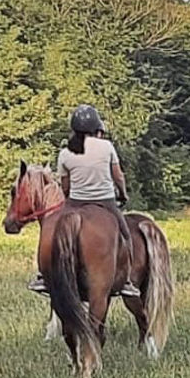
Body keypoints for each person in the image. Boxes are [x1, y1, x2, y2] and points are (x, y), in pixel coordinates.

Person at [49, 103, 139, 297]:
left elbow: (65, 186)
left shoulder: (65, 153)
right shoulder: (106, 147)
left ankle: (43, 274)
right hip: (105, 201)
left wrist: (70, 198)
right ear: (96, 128)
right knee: (125, 234)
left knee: (53, 232)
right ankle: (128, 279)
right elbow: (118, 176)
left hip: (75, 202)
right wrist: (123, 193)